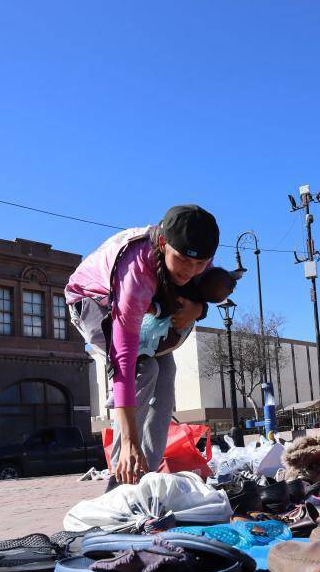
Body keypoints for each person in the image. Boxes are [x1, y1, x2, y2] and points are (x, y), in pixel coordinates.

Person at [65, 204, 222, 487]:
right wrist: (128, 442)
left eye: (200, 264)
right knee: (144, 370)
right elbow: (122, 361)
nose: (191, 270)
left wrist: (198, 308)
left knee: (166, 373)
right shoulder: (136, 272)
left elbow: (207, 291)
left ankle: (145, 478)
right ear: (163, 243)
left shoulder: (198, 262)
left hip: (146, 308)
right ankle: (120, 481)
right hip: (91, 302)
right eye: (183, 260)